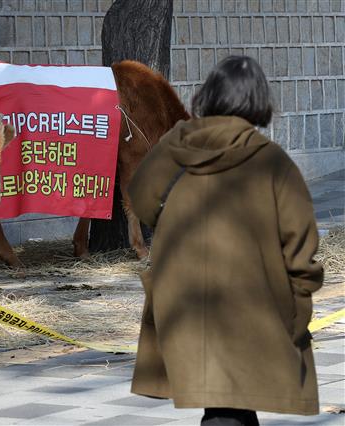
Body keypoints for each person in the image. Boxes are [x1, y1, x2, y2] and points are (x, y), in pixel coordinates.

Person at [128, 56, 324, 425]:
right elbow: (301, 247)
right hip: (249, 300)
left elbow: (140, 196)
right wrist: (300, 309)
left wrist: (170, 223)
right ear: (258, 101)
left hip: (180, 295)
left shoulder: (178, 144)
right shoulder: (273, 163)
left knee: (225, 404)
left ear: (210, 96)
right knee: (228, 405)